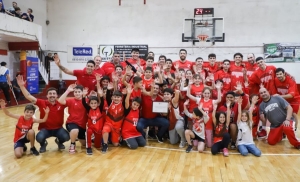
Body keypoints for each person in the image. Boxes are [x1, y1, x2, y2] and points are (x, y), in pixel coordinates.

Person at [17, 75, 70, 153]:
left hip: (58, 128)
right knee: (39, 137)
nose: (52, 95)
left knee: (66, 137)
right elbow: (29, 96)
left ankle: (59, 141)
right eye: (50, 93)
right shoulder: (42, 102)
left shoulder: (61, 103)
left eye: (54, 94)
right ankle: (43, 144)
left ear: (56, 95)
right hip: (45, 129)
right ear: (47, 95)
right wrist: (21, 86)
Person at [57, 84, 87, 154]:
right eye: (75, 92)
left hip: (82, 125)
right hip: (72, 122)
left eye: (79, 92)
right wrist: (67, 91)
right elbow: (60, 101)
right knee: (75, 130)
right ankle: (72, 144)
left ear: (82, 92)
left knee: (84, 144)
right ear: (73, 93)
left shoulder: (86, 100)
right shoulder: (71, 100)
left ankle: (75, 136)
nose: (77, 93)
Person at [81, 79, 105, 155]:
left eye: (95, 103)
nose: (93, 104)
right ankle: (88, 148)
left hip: (99, 130)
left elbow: (102, 102)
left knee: (97, 146)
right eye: (92, 103)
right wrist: (83, 96)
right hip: (91, 128)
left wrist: (100, 95)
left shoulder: (100, 109)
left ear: (98, 104)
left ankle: (95, 140)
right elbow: (83, 103)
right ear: (89, 104)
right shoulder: (89, 109)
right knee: (88, 131)